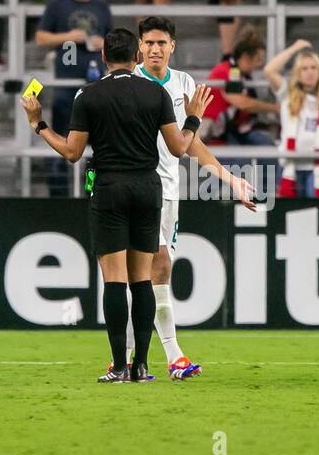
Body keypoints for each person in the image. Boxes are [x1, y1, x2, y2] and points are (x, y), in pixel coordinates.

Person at [21, 26, 210, 383]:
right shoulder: (156, 94)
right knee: (142, 280)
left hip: (109, 188)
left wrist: (39, 124)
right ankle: (141, 365)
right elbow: (179, 148)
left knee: (114, 281)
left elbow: (72, 152)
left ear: (104, 57)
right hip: (147, 188)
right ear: (137, 57)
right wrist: (194, 117)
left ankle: (119, 366)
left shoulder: (88, 96)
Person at [128, 16, 257, 379]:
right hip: (136, 187)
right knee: (153, 265)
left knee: (151, 269)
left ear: (173, 47)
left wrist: (230, 179)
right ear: (139, 47)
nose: (155, 49)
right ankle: (169, 356)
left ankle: (128, 358)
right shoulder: (129, 82)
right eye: (148, 43)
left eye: (161, 43)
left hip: (169, 190)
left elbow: (191, 144)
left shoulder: (183, 83)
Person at [36, 0, 112, 192]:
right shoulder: (57, 6)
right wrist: (68, 36)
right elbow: (40, 38)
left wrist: (104, 44)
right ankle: (58, 195)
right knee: (61, 144)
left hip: (96, 89)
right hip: (65, 88)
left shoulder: (101, 8)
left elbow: (115, 45)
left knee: (96, 150)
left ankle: (91, 192)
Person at [266, 45, 319, 197]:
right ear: (297, 73)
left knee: (317, 216)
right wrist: (294, 48)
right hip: (290, 168)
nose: (309, 72)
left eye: (313, 68)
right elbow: (269, 70)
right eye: (304, 69)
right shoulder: (287, 94)